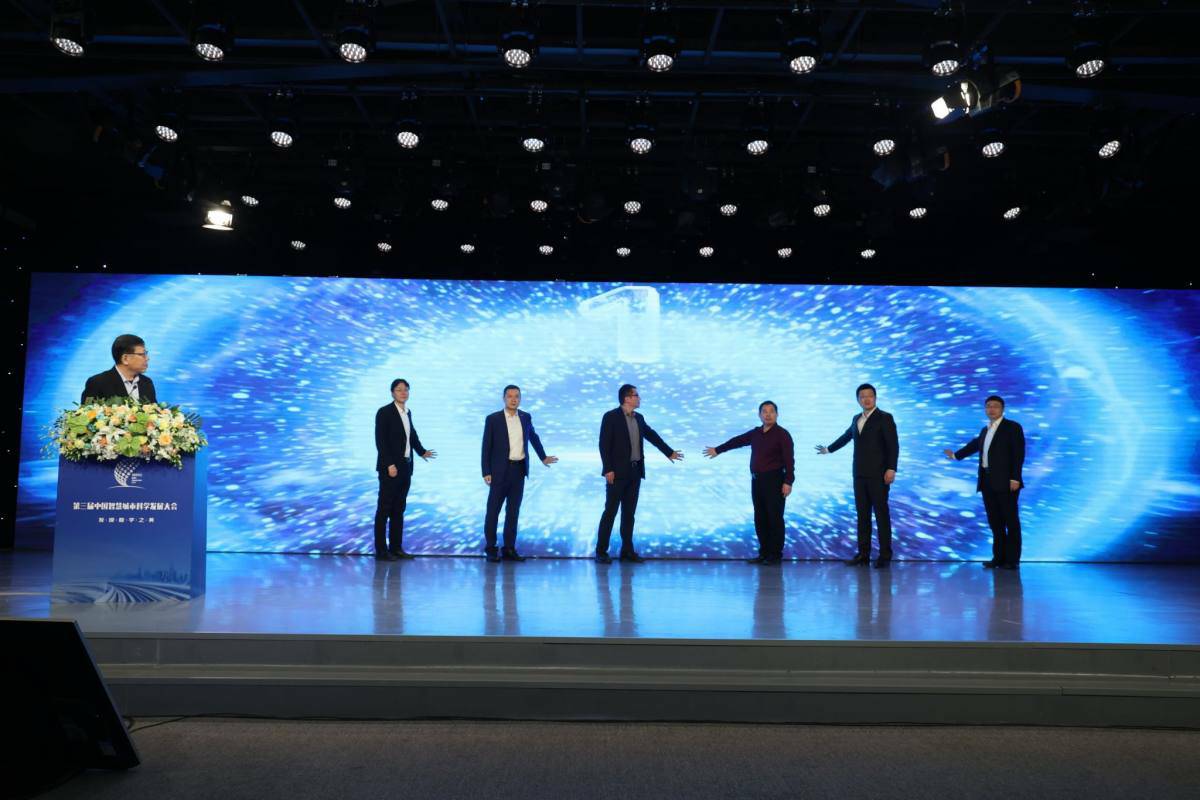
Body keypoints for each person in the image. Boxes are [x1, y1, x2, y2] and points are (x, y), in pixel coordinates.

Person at [595, 384, 683, 563]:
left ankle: (627, 551)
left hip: (635, 472)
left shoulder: (639, 418)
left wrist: (669, 452)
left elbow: (652, 436)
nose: (639, 398)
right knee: (610, 512)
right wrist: (608, 469)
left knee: (629, 514)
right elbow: (604, 444)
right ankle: (601, 552)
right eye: (636, 395)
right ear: (627, 398)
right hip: (616, 474)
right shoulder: (611, 416)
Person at [816, 383, 899, 568]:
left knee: (881, 515)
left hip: (879, 474)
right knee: (862, 515)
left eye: (869, 396)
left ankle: (885, 555)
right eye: (862, 396)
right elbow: (846, 436)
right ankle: (863, 554)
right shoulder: (856, 418)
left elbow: (893, 445)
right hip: (859, 474)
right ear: (858, 400)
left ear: (875, 398)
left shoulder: (885, 417)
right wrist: (828, 449)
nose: (866, 399)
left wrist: (891, 468)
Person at [703, 401, 795, 565]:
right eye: (764, 411)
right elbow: (737, 441)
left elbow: (789, 460)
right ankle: (764, 553)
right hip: (757, 480)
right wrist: (718, 449)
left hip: (774, 481)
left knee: (774, 518)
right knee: (760, 518)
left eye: (771, 411)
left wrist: (788, 481)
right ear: (759, 415)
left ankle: (775, 555)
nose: (768, 414)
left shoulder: (783, 434)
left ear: (777, 414)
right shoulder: (756, 433)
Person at [944, 395, 1026, 570]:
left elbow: (1018, 454)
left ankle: (1012, 560)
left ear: (1002, 409)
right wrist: (955, 455)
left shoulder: (1012, 427)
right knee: (995, 522)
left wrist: (1015, 478)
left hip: (1007, 482)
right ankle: (998, 558)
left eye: (995, 406)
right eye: (988, 406)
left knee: (1010, 521)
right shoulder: (985, 430)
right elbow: (974, 446)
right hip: (987, 481)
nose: (991, 409)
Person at [480, 385, 558, 563]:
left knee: (513, 512)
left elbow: (533, 437)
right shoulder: (493, 419)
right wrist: (486, 471)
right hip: (499, 472)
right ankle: (491, 548)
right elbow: (486, 446)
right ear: (504, 398)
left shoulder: (525, 417)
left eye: (517, 396)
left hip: (518, 470)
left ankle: (509, 549)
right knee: (493, 512)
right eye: (510, 396)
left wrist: (543, 457)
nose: (513, 399)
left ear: (520, 399)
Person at [373, 379, 436, 561]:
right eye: (399, 390)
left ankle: (396, 548)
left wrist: (421, 451)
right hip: (391, 468)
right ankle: (381, 551)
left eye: (406, 389)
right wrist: (389, 464)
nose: (403, 393)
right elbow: (381, 441)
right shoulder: (384, 412)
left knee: (399, 509)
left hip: (406, 466)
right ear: (392, 392)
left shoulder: (407, 412)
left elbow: (411, 435)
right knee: (384, 509)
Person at [81, 334, 157, 404]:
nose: (147, 358)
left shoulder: (147, 383)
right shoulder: (98, 383)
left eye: (146, 353)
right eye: (142, 354)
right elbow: (86, 412)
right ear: (125, 359)